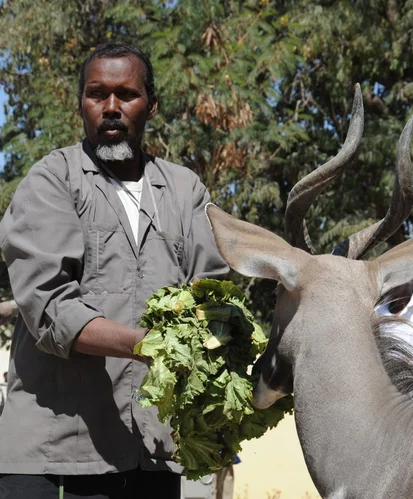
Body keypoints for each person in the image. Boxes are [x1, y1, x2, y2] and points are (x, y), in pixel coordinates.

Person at [0, 42, 228, 498]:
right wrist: (150, 345)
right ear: (80, 103)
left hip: (152, 452)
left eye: (126, 94)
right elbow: (50, 307)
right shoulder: (52, 180)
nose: (110, 108)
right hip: (60, 452)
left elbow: (213, 296)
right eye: (96, 93)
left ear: (151, 105)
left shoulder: (185, 191)